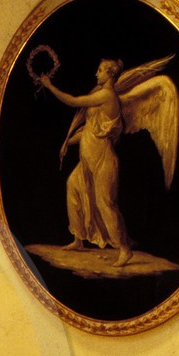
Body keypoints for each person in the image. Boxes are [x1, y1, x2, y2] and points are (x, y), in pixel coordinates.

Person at [40, 58, 133, 268]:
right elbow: (90, 129)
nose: (96, 74)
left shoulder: (107, 95)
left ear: (110, 75)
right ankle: (78, 238)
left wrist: (49, 86)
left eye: (100, 70)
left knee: (105, 204)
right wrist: (68, 143)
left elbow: (73, 101)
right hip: (88, 160)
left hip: (103, 161)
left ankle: (125, 249)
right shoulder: (99, 96)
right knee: (73, 186)